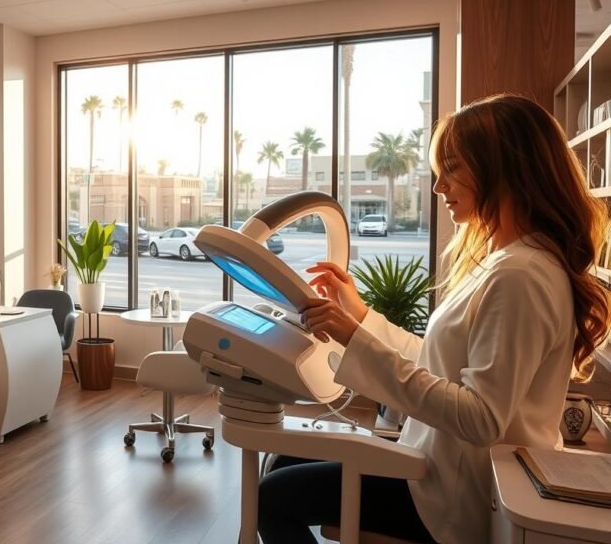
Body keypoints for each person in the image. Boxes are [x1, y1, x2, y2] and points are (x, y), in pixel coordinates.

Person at [258, 94, 611, 543]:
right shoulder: (511, 262)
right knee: (283, 462)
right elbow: (438, 360)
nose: (439, 186)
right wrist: (360, 317)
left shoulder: (522, 275)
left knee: (273, 496)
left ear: (502, 169)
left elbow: (481, 417)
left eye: (453, 169)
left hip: (453, 496)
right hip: (436, 464)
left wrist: (354, 338)